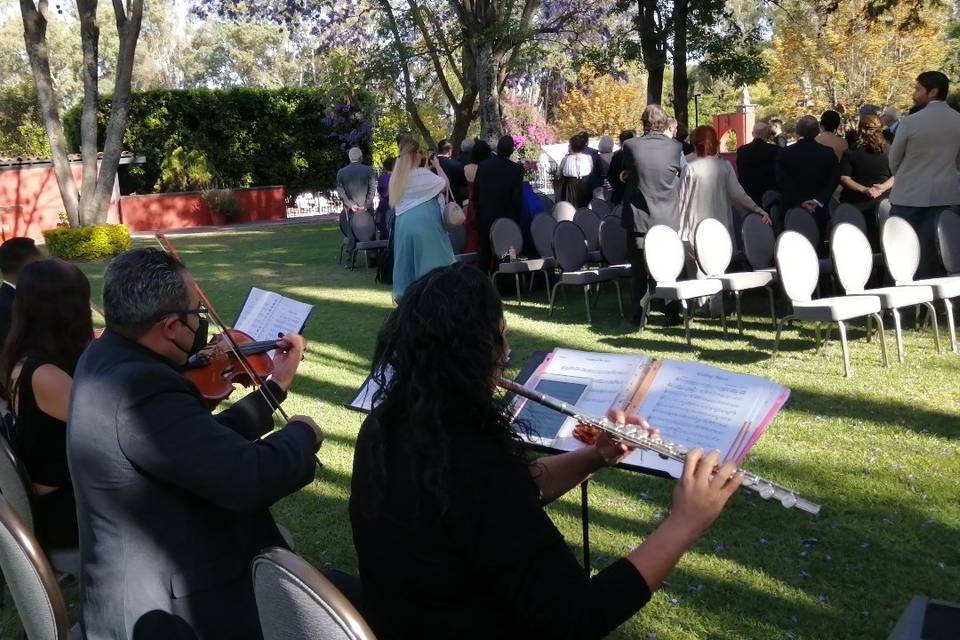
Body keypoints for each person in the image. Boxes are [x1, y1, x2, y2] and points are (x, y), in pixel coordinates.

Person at [349, 263, 742, 640]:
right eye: (500, 340)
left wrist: (595, 455)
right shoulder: (473, 463)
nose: (505, 356)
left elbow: (497, 502)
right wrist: (683, 524)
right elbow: (579, 617)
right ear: (476, 354)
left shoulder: (388, 429)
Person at [68, 248, 324, 640]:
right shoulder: (142, 387)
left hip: (139, 573)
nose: (201, 325)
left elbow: (198, 444)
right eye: (195, 314)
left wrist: (274, 390)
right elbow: (247, 479)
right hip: (161, 608)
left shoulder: (107, 357)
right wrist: (303, 434)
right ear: (170, 326)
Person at [0, 259, 91, 550]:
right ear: (69, 310)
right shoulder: (45, 376)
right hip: (64, 513)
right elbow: (112, 428)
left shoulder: (28, 358)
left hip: (66, 498)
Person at [888, 70, 960, 278]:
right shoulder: (957, 120)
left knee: (900, 252)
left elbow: (894, 159)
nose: (914, 93)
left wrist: (903, 177)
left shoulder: (911, 122)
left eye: (918, 89)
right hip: (944, 194)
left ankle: (905, 304)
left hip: (908, 195)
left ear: (933, 91)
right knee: (930, 254)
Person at [621, 104, 684, 326]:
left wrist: (626, 175)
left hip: (639, 217)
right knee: (668, 270)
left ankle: (639, 316)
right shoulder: (675, 147)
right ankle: (671, 314)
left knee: (638, 272)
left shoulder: (630, 146)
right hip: (667, 217)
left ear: (644, 122)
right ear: (664, 122)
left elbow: (634, 172)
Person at [679, 125, 771, 244]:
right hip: (721, 226)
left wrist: (680, 231)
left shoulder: (690, 169)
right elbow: (738, 195)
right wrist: (759, 210)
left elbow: (682, 201)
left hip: (696, 228)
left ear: (695, 143)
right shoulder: (725, 166)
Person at [389, 138, 456, 300]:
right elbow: (444, 184)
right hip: (426, 223)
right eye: (420, 152)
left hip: (404, 225)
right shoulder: (422, 175)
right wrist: (438, 166)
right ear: (415, 154)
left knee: (409, 264)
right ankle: (434, 296)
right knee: (432, 263)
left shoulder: (397, 178)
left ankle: (410, 298)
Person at [775, 114, 840, 246]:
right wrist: (818, 200)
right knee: (818, 247)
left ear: (798, 131)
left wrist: (800, 201)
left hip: (791, 208)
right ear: (817, 131)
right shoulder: (827, 153)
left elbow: (782, 181)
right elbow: (833, 180)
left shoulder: (785, 153)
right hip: (819, 209)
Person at [474, 135, 524, 271]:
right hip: (506, 215)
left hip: (486, 214)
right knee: (506, 250)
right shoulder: (517, 170)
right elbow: (516, 198)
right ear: (512, 150)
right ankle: (506, 282)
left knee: (484, 250)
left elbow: (476, 192)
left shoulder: (483, 166)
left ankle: (481, 281)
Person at [0, 237, 41, 346]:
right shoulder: (6, 307)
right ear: (29, 266)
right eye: (41, 264)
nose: (45, 270)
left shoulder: (18, 297)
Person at [736, 121, 780, 206]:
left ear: (753, 134)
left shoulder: (742, 151)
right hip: (769, 197)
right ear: (767, 134)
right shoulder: (775, 150)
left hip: (748, 196)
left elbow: (740, 173)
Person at [463, 139, 493, 253]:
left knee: (471, 230)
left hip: (471, 201)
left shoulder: (467, 168)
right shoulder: (488, 168)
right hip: (485, 201)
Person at [336, 147, 378, 218]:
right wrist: (366, 205)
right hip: (367, 210)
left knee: (351, 228)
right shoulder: (369, 170)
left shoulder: (341, 172)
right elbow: (372, 189)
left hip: (350, 211)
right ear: (361, 157)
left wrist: (350, 205)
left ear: (349, 158)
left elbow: (340, 192)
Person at [558, 133, 595, 207]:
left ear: (571, 146)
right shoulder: (588, 158)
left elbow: (559, 174)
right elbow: (591, 171)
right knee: (585, 208)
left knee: (570, 208)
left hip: (570, 188)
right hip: (585, 186)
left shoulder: (565, 159)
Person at [607, 130, 635, 205]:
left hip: (619, 193)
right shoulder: (637, 155)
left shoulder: (617, 155)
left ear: (620, 141)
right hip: (632, 193)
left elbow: (610, 176)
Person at [437, 139, 468, 204]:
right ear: (449, 150)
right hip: (453, 200)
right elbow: (463, 183)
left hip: (435, 201)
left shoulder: (429, 163)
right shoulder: (456, 164)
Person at [375, 156, 395, 238]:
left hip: (384, 206)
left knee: (384, 229)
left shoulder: (381, 178)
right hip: (394, 205)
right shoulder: (398, 178)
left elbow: (380, 190)